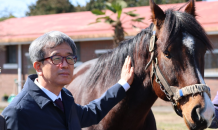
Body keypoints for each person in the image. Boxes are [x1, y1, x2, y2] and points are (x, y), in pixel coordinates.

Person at [2, 31, 134, 130]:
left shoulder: (64, 98)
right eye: (57, 59)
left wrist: (122, 85)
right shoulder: (18, 112)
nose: (65, 65)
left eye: (69, 58)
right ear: (38, 67)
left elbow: (92, 113)